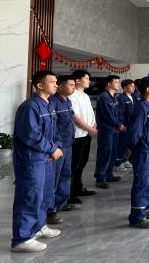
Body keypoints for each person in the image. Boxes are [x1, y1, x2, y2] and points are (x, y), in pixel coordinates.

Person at [11, 70, 63, 252]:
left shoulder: (49, 104)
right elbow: (30, 135)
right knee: (30, 196)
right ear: (40, 85)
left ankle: (39, 226)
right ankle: (22, 238)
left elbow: (55, 131)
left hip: (47, 159)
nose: (56, 85)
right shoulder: (29, 107)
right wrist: (52, 149)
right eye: (52, 82)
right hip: (32, 160)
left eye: (56, 82)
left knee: (45, 195)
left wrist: (57, 147)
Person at [127, 77, 149, 228]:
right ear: (148, 90)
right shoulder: (140, 107)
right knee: (142, 182)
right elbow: (135, 131)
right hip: (143, 151)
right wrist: (130, 149)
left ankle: (145, 208)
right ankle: (137, 217)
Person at [47, 76, 78, 226]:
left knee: (65, 174)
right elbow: (54, 127)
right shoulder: (53, 102)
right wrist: (56, 146)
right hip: (59, 146)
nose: (73, 87)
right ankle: (50, 211)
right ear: (60, 87)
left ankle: (61, 203)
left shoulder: (67, 101)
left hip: (68, 144)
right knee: (54, 178)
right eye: (70, 85)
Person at [68, 70, 97, 206]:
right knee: (74, 164)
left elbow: (90, 114)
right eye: (87, 78)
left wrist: (93, 126)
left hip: (86, 134)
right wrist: (89, 129)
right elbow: (75, 117)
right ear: (77, 81)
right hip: (78, 135)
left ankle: (78, 187)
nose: (89, 81)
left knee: (82, 163)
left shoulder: (85, 95)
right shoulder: (72, 95)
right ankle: (70, 193)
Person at [94, 75, 126, 189]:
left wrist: (120, 124)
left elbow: (119, 113)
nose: (118, 84)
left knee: (113, 152)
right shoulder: (104, 97)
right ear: (108, 84)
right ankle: (100, 178)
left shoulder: (115, 97)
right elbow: (108, 115)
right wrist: (119, 124)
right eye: (115, 82)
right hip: (106, 130)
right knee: (105, 153)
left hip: (115, 130)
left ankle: (109, 174)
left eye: (118, 82)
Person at [116, 79, 136, 171]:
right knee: (121, 144)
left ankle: (124, 160)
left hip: (131, 125)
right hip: (125, 125)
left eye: (133, 86)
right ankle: (118, 164)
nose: (133, 88)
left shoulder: (132, 97)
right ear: (124, 87)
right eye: (131, 86)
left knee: (127, 144)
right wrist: (121, 124)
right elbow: (120, 113)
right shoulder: (121, 98)